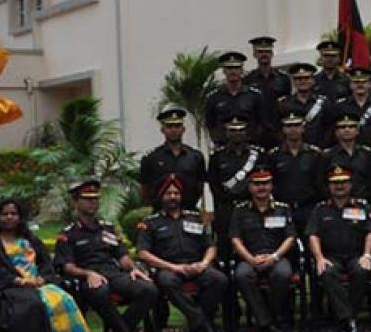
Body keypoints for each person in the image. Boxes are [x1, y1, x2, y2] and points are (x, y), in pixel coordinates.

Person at [0, 198, 96, 332]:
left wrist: (42, 279)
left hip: (37, 283)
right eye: (5, 214)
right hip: (8, 286)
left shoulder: (29, 238)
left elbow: (45, 262)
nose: (9, 217)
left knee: (63, 299)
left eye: (14, 214)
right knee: (37, 304)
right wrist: (17, 280)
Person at [54, 180, 157, 332]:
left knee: (148, 289)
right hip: (87, 276)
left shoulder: (107, 229)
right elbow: (67, 266)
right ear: (76, 202)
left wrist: (133, 268)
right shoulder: (68, 234)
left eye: (95, 199)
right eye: (87, 199)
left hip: (113, 273)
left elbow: (122, 257)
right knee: (100, 291)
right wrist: (88, 273)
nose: (93, 203)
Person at [135, 174, 228, 332]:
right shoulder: (151, 223)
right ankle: (203, 325)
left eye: (176, 193)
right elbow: (143, 253)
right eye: (168, 193)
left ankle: (194, 327)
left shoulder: (195, 218)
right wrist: (174, 267)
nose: (173, 197)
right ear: (161, 196)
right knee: (167, 281)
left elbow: (210, 246)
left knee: (219, 279)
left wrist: (203, 264)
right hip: (169, 269)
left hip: (197, 266)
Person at [306, 165, 371, 332]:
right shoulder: (320, 208)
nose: (339, 186)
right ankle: (348, 320)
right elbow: (313, 235)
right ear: (329, 186)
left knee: (362, 271)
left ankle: (346, 319)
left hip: (356, 255)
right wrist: (319, 257)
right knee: (327, 272)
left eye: (343, 182)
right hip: (331, 256)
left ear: (350, 184)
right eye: (335, 183)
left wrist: (367, 255)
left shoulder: (362, 206)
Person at [230, 167, 297, 332]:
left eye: (265, 183)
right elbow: (235, 239)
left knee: (283, 274)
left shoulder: (283, 208)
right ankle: (268, 323)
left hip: (277, 257)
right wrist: (250, 259)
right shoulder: (240, 210)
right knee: (242, 275)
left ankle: (263, 322)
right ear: (249, 187)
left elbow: (290, 238)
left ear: (271, 186)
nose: (261, 187)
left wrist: (274, 257)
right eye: (257, 184)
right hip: (250, 257)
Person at [206, 114, 263, 254]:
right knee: (225, 246)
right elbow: (214, 185)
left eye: (240, 130)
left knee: (252, 244)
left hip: (250, 208)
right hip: (226, 208)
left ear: (246, 132)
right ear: (226, 132)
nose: (237, 134)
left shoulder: (258, 155)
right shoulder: (217, 157)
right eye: (232, 130)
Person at [265, 112, 326, 234]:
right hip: (281, 208)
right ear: (283, 130)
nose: (293, 129)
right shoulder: (274, 155)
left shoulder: (315, 154)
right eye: (289, 126)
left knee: (311, 239)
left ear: (303, 128)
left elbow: (320, 183)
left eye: (297, 125)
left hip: (308, 207)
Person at [139, 106, 209, 211]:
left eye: (177, 126)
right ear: (162, 130)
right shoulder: (151, 158)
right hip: (161, 213)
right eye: (169, 126)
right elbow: (145, 190)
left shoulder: (195, 157)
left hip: (188, 211)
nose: (173, 130)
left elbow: (199, 187)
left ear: (183, 129)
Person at [204, 51, 265, 143]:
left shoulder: (255, 95)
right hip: (224, 146)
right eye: (229, 68)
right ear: (224, 71)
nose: (233, 71)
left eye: (236, 68)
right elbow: (210, 124)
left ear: (242, 70)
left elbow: (261, 123)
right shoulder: (213, 97)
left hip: (249, 145)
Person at [243, 36, 292, 148]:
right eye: (260, 52)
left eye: (267, 51)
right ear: (254, 54)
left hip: (278, 132)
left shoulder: (283, 79)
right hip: (256, 134)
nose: (264, 55)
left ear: (272, 54)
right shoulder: (248, 80)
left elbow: (287, 105)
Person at [323, 113, 371, 202]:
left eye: (351, 127)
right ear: (336, 132)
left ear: (357, 131)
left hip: (363, 201)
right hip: (337, 202)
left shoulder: (367, 154)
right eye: (342, 127)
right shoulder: (327, 155)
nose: (347, 130)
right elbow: (322, 182)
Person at [278, 62, 332, 148]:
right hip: (293, 150)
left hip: (318, 150)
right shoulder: (283, 103)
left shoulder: (323, 103)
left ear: (313, 81)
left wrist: (324, 147)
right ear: (293, 82)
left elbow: (329, 128)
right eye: (298, 79)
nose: (302, 81)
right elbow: (279, 129)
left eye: (306, 78)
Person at [332, 67, 371, 148]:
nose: (360, 85)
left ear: (370, 85)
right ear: (350, 85)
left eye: (364, 82)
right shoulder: (340, 106)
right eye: (356, 82)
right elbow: (335, 130)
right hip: (348, 150)